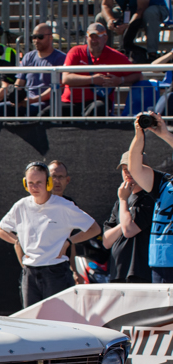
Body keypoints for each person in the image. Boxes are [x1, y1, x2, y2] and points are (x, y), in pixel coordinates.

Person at [0, 162, 102, 307]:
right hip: (29, 274)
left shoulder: (63, 205)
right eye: (30, 183)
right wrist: (17, 242)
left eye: (39, 182)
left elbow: (94, 229)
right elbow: (1, 230)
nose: (34, 187)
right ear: (25, 183)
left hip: (56, 273)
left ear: (48, 183)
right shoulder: (21, 206)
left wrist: (69, 241)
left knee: (57, 318)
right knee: (30, 318)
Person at [127, 112, 173, 282]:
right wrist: (139, 135)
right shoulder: (164, 183)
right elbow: (135, 168)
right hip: (162, 261)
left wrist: (166, 135)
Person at [60, 23, 141, 116]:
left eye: (98, 37)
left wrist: (120, 80)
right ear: (86, 38)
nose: (94, 40)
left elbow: (138, 75)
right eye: (91, 37)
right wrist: (93, 79)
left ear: (105, 38)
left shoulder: (116, 56)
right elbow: (65, 78)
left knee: (98, 108)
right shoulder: (76, 51)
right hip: (70, 102)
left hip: (99, 102)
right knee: (47, 112)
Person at [0, 24, 67, 117]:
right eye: (33, 37)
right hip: (26, 100)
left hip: (47, 102)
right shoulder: (28, 56)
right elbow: (19, 82)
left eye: (40, 37)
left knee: (31, 110)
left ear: (50, 37)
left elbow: (57, 87)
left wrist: (33, 100)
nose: (36, 40)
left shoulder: (61, 58)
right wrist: (15, 97)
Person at [103, 151, 154, 283]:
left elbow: (129, 230)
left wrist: (123, 199)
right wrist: (124, 222)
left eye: (131, 168)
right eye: (124, 169)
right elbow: (106, 241)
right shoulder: (120, 201)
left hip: (139, 274)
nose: (127, 173)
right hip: (118, 273)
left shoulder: (150, 199)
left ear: (144, 170)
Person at [96, 0, 169, 61]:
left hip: (152, 8)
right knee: (100, 17)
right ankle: (103, 55)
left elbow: (141, 8)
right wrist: (110, 20)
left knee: (150, 13)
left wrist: (128, 26)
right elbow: (106, 5)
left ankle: (152, 55)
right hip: (128, 9)